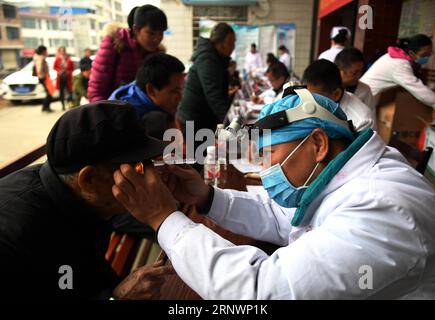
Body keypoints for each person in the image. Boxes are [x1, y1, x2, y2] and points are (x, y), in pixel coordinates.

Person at [111, 88, 435, 300]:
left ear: (318, 145)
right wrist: (207, 198)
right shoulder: (340, 179)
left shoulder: (381, 208)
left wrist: (163, 218)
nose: (265, 169)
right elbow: (284, 218)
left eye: (270, 155)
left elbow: (262, 292)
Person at [0, 101, 174, 299]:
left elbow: (86, 276)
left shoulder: (84, 202)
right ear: (88, 179)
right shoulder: (15, 237)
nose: (150, 179)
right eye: (137, 169)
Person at [88, 5, 167, 102]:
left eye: (161, 33)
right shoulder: (114, 44)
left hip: (143, 112)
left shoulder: (158, 55)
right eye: (151, 33)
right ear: (136, 29)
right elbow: (96, 90)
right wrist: (106, 114)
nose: (157, 39)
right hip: (112, 110)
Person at [177, 22, 236, 136]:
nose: (233, 47)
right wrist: (230, 124)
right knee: (200, 153)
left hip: (203, 117)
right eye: (230, 43)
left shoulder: (216, 58)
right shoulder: (208, 60)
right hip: (194, 120)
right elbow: (213, 95)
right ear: (220, 42)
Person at [109, 53, 185, 139]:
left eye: (181, 90)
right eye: (174, 91)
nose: (180, 97)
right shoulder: (125, 118)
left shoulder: (143, 92)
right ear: (151, 90)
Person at [361, 34, 435, 108]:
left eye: (430, 53)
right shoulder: (400, 64)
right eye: (424, 54)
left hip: (366, 96)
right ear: (411, 53)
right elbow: (418, 90)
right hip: (363, 100)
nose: (427, 57)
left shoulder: (396, 57)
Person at [302, 59, 375, 131]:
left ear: (337, 94)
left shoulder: (362, 121)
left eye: (315, 98)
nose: (308, 103)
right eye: (306, 95)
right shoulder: (307, 102)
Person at [33, 45, 52, 113]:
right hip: (43, 77)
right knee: (49, 93)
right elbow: (39, 68)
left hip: (43, 77)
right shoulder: (40, 58)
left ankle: (45, 107)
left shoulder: (38, 57)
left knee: (49, 92)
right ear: (43, 51)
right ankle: (46, 107)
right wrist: (42, 74)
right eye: (46, 50)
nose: (46, 52)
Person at [54, 46, 74, 111]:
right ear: (59, 52)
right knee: (61, 92)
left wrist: (68, 72)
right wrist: (59, 71)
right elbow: (55, 67)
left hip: (67, 77)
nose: (62, 52)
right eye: (61, 51)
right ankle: (63, 105)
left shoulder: (68, 59)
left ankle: (70, 103)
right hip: (60, 77)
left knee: (69, 91)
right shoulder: (57, 59)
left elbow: (72, 68)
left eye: (63, 51)